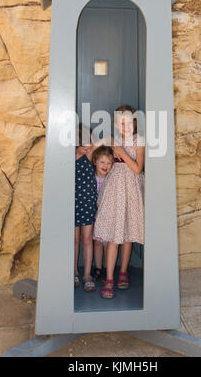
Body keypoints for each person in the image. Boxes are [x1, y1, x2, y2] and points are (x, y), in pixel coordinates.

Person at [93, 105, 145, 299]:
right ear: (116, 124)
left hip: (131, 190)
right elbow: (91, 150)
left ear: (135, 122)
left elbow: (138, 169)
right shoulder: (112, 139)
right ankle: (109, 278)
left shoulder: (139, 140)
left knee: (128, 234)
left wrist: (121, 152)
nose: (125, 126)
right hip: (114, 190)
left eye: (129, 122)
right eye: (121, 122)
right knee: (113, 235)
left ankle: (123, 271)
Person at [75, 123, 97, 292]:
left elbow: (107, 140)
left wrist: (90, 144)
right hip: (72, 203)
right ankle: (74, 271)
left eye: (88, 144)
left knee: (87, 239)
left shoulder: (89, 155)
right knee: (74, 240)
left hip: (88, 203)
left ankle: (87, 274)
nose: (86, 148)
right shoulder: (68, 158)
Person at [91, 145, 114, 282]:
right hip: (95, 214)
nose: (105, 166)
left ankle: (107, 268)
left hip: (108, 215)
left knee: (107, 243)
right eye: (102, 162)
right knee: (97, 242)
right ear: (95, 161)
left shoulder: (112, 179)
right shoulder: (91, 177)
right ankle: (98, 268)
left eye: (109, 163)